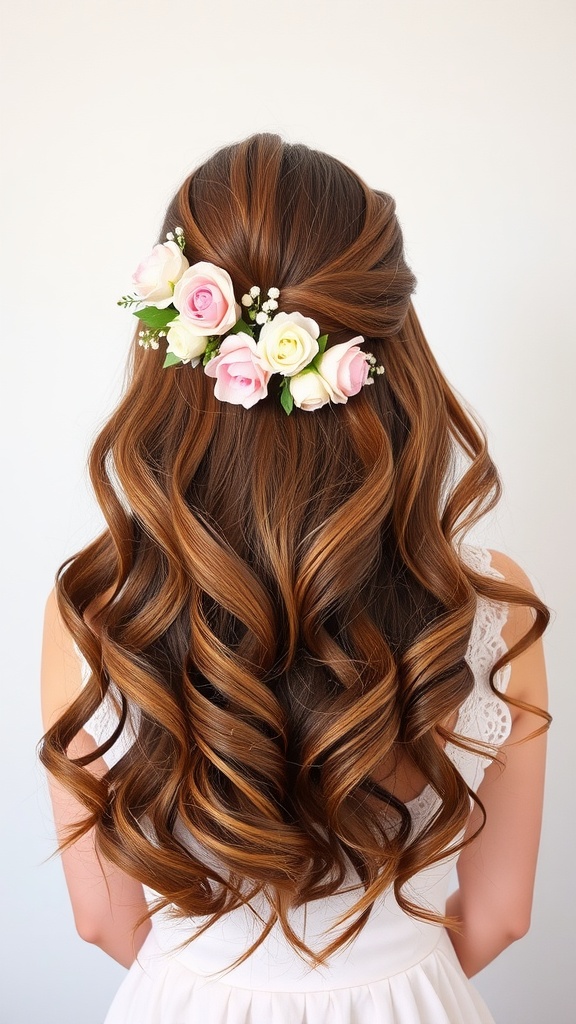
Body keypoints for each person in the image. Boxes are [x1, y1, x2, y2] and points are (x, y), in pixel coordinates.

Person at [39, 133, 550, 1024]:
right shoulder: (486, 604)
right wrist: (388, 979)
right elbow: (502, 913)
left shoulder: (97, 604)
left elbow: (100, 919)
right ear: (392, 343)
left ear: (172, 333)